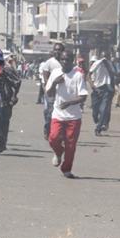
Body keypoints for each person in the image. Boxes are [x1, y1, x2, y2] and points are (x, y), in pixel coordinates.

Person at [46, 50, 88, 178]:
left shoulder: (78, 75)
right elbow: (49, 93)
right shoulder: (55, 73)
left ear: (72, 61)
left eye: (67, 60)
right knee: (53, 138)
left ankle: (66, 169)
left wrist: (69, 103)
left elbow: (83, 96)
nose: (64, 62)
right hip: (58, 114)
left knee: (71, 145)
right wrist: (54, 83)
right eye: (62, 59)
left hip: (73, 117)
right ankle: (59, 152)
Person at [0, 49, 21, 153]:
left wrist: (14, 95)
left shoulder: (6, 69)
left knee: (3, 122)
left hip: (5, 99)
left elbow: (17, 82)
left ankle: (2, 143)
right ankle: (0, 140)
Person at [40, 43, 65, 139]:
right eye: (55, 49)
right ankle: (47, 129)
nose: (57, 52)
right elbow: (46, 77)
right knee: (49, 112)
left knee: (61, 113)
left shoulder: (66, 62)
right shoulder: (49, 62)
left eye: (59, 50)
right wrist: (48, 87)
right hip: (51, 92)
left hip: (62, 93)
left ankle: (60, 133)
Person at [88, 51, 115, 136]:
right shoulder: (96, 64)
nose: (105, 58)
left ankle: (98, 128)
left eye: (106, 56)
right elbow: (88, 75)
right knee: (95, 113)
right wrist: (93, 87)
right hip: (97, 89)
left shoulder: (110, 64)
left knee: (103, 109)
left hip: (106, 89)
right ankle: (98, 121)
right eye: (103, 56)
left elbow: (113, 74)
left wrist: (113, 88)